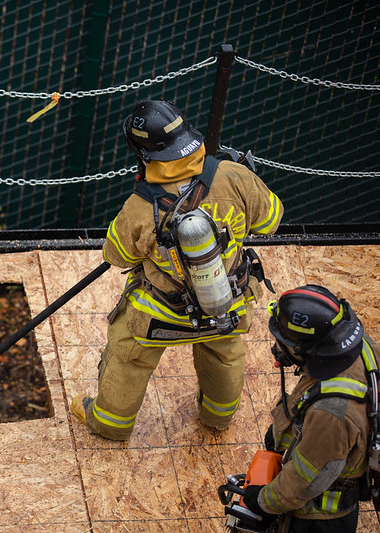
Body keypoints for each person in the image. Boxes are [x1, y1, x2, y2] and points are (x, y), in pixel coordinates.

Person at [71, 99, 283, 440]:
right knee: (224, 354)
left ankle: (111, 423)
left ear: (143, 154)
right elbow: (271, 220)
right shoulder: (234, 176)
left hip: (162, 313)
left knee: (127, 353)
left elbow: (116, 256)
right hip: (225, 303)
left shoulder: (140, 206)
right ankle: (218, 418)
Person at [241, 284, 376, 532]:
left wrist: (261, 501)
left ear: (306, 349)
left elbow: (306, 480)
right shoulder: (355, 346)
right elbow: (314, 389)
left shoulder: (332, 413)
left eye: (283, 343)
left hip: (318, 517)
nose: (278, 349)